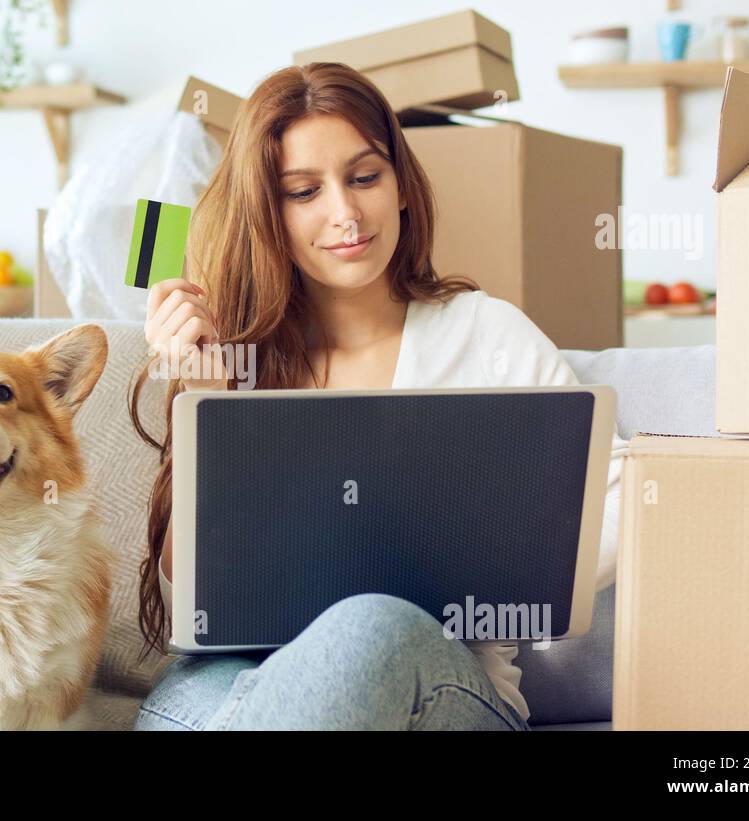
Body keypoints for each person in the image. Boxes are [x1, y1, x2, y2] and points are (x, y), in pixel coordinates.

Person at [127, 62, 627, 730]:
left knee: (369, 622)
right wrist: (215, 409)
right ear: (267, 213)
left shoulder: (486, 332)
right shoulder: (235, 356)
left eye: (365, 177)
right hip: (238, 678)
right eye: (304, 191)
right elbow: (187, 603)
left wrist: (478, 564)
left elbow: (625, 503)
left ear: (401, 187)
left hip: (438, 676)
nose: (346, 212)